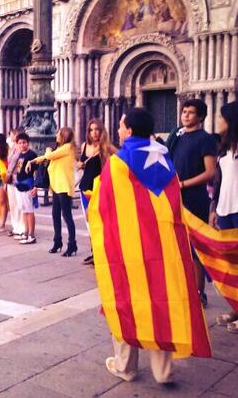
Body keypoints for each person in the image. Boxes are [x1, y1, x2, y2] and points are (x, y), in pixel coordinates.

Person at [88, 107, 211, 385]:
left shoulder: (119, 163)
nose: (119, 130)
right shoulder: (164, 158)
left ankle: (125, 366)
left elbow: (105, 206)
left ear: (129, 130)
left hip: (131, 247)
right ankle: (163, 371)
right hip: (165, 248)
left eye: (121, 126)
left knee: (125, 301)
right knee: (161, 302)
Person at [167, 99, 216, 306]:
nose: (185, 115)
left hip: (195, 199)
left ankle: (199, 293)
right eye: (184, 111)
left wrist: (184, 184)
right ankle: (181, 289)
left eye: (190, 112)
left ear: (201, 117)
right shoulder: (176, 136)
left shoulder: (205, 139)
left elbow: (210, 172)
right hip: (174, 198)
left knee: (195, 249)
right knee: (177, 246)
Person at [209, 101, 238, 333]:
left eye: (222, 118)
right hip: (225, 211)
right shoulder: (224, 149)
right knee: (231, 265)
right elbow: (218, 183)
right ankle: (236, 307)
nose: (219, 122)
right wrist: (213, 209)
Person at [31, 127, 78, 256]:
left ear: (63, 136)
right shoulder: (60, 149)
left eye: (58, 134)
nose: (56, 136)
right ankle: (57, 242)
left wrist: (47, 148)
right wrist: (33, 161)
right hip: (56, 186)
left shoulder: (67, 147)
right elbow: (46, 157)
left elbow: (49, 155)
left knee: (67, 216)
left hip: (63, 187)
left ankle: (72, 244)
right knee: (55, 215)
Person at [78, 119, 116, 265]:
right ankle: (94, 252)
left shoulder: (106, 146)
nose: (94, 133)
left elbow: (120, 158)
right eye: (91, 130)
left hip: (99, 189)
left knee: (100, 223)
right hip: (85, 188)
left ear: (101, 131)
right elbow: (81, 163)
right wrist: (79, 164)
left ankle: (102, 253)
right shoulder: (84, 146)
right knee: (89, 223)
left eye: (97, 130)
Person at [12, 132, 38, 244]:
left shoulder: (32, 155)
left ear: (28, 143)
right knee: (23, 209)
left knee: (29, 210)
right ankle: (26, 231)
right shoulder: (20, 155)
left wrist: (35, 186)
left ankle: (31, 234)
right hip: (20, 184)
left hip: (28, 184)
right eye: (20, 143)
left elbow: (36, 171)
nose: (22, 145)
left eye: (24, 142)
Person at [5, 128, 24, 237]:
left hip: (16, 178)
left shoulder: (19, 148)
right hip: (11, 178)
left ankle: (21, 227)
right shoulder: (12, 147)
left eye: (11, 134)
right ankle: (15, 226)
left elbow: (13, 163)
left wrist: (8, 174)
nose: (10, 136)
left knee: (19, 203)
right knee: (12, 204)